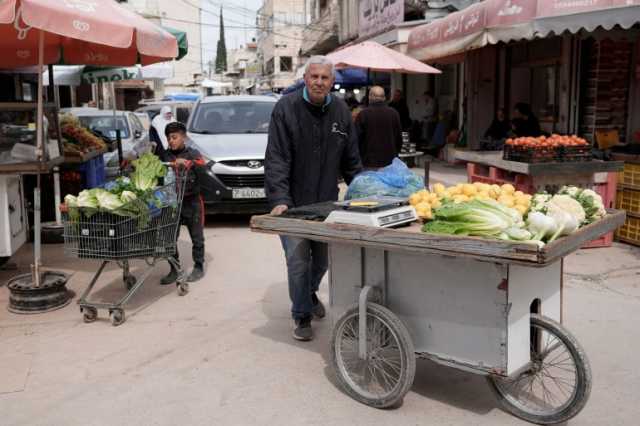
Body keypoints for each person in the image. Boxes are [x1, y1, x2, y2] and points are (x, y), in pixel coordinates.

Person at [265, 55, 363, 341]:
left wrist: (362, 191)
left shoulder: (342, 111)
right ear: (305, 79)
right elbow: (277, 158)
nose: (319, 82)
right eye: (314, 77)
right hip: (293, 204)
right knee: (298, 261)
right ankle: (301, 315)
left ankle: (307, 293)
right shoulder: (286, 108)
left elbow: (351, 159)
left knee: (322, 260)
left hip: (326, 203)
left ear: (332, 82)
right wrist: (280, 199)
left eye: (325, 78)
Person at [159, 122, 207, 284]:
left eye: (174, 137)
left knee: (197, 238)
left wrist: (188, 163)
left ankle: (198, 266)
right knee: (170, 238)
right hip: (173, 204)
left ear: (183, 137)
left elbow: (203, 166)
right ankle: (174, 268)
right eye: (168, 138)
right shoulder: (164, 156)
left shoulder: (193, 153)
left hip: (192, 202)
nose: (171, 141)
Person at [355, 86, 402, 169]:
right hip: (390, 161)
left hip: (369, 161)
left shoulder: (363, 114)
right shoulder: (394, 113)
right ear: (384, 98)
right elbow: (398, 138)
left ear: (370, 97)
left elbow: (356, 139)